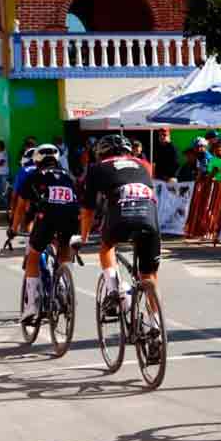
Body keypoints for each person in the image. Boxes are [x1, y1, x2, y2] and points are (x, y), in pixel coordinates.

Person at [79, 135, 161, 322]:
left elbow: (88, 209)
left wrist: (83, 238)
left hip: (121, 214)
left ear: (101, 153)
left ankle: (115, 292)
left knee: (106, 247)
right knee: (149, 275)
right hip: (149, 215)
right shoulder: (143, 164)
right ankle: (155, 324)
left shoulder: (97, 168)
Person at [18, 145, 81, 324]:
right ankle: (65, 287)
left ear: (37, 161)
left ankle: (32, 306)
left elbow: (22, 205)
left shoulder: (35, 175)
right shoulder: (69, 176)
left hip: (48, 217)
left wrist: (13, 228)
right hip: (71, 217)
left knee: (33, 256)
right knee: (63, 250)